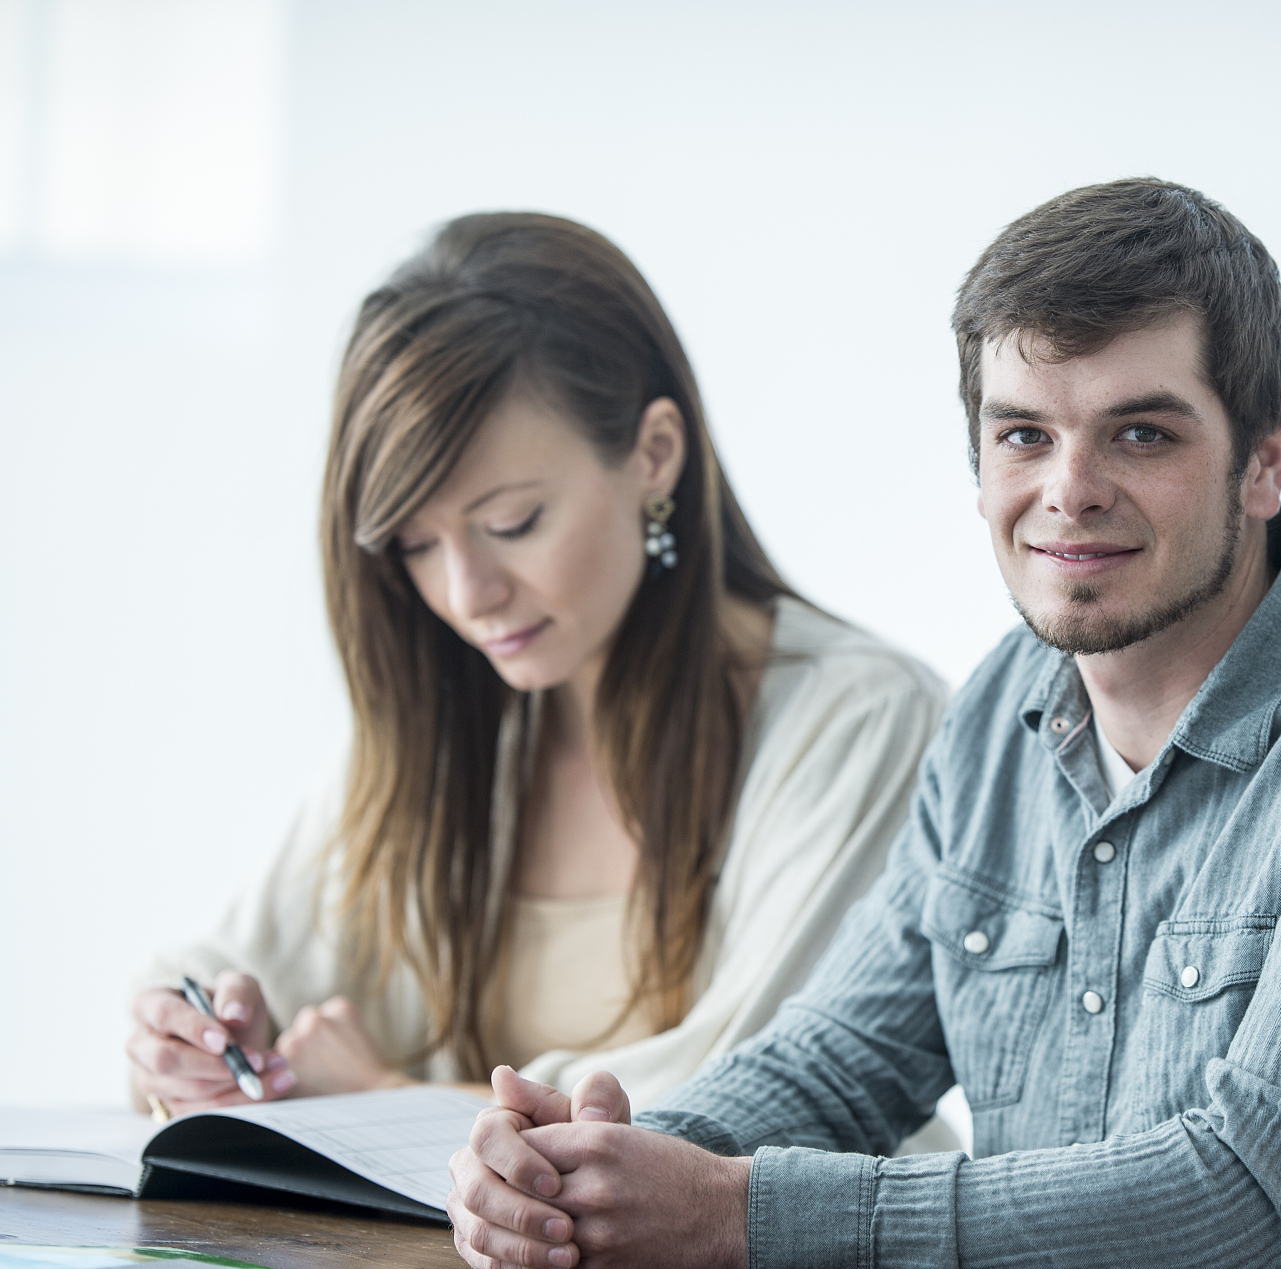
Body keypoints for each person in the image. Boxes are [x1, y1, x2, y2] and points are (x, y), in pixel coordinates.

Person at [445, 178, 1281, 1269]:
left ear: (1263, 460)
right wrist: (598, 1167)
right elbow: (842, 1059)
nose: (1069, 492)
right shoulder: (1002, 700)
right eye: (1023, 435)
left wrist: (734, 1211)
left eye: (1140, 433)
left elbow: (1248, 1202)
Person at [125, 213, 948, 1120]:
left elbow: (747, 1102)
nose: (466, 592)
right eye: (415, 544)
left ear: (654, 456)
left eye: (511, 523)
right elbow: (234, 965)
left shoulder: (859, 719)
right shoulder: (450, 721)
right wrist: (195, 1038)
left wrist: (388, 1104)